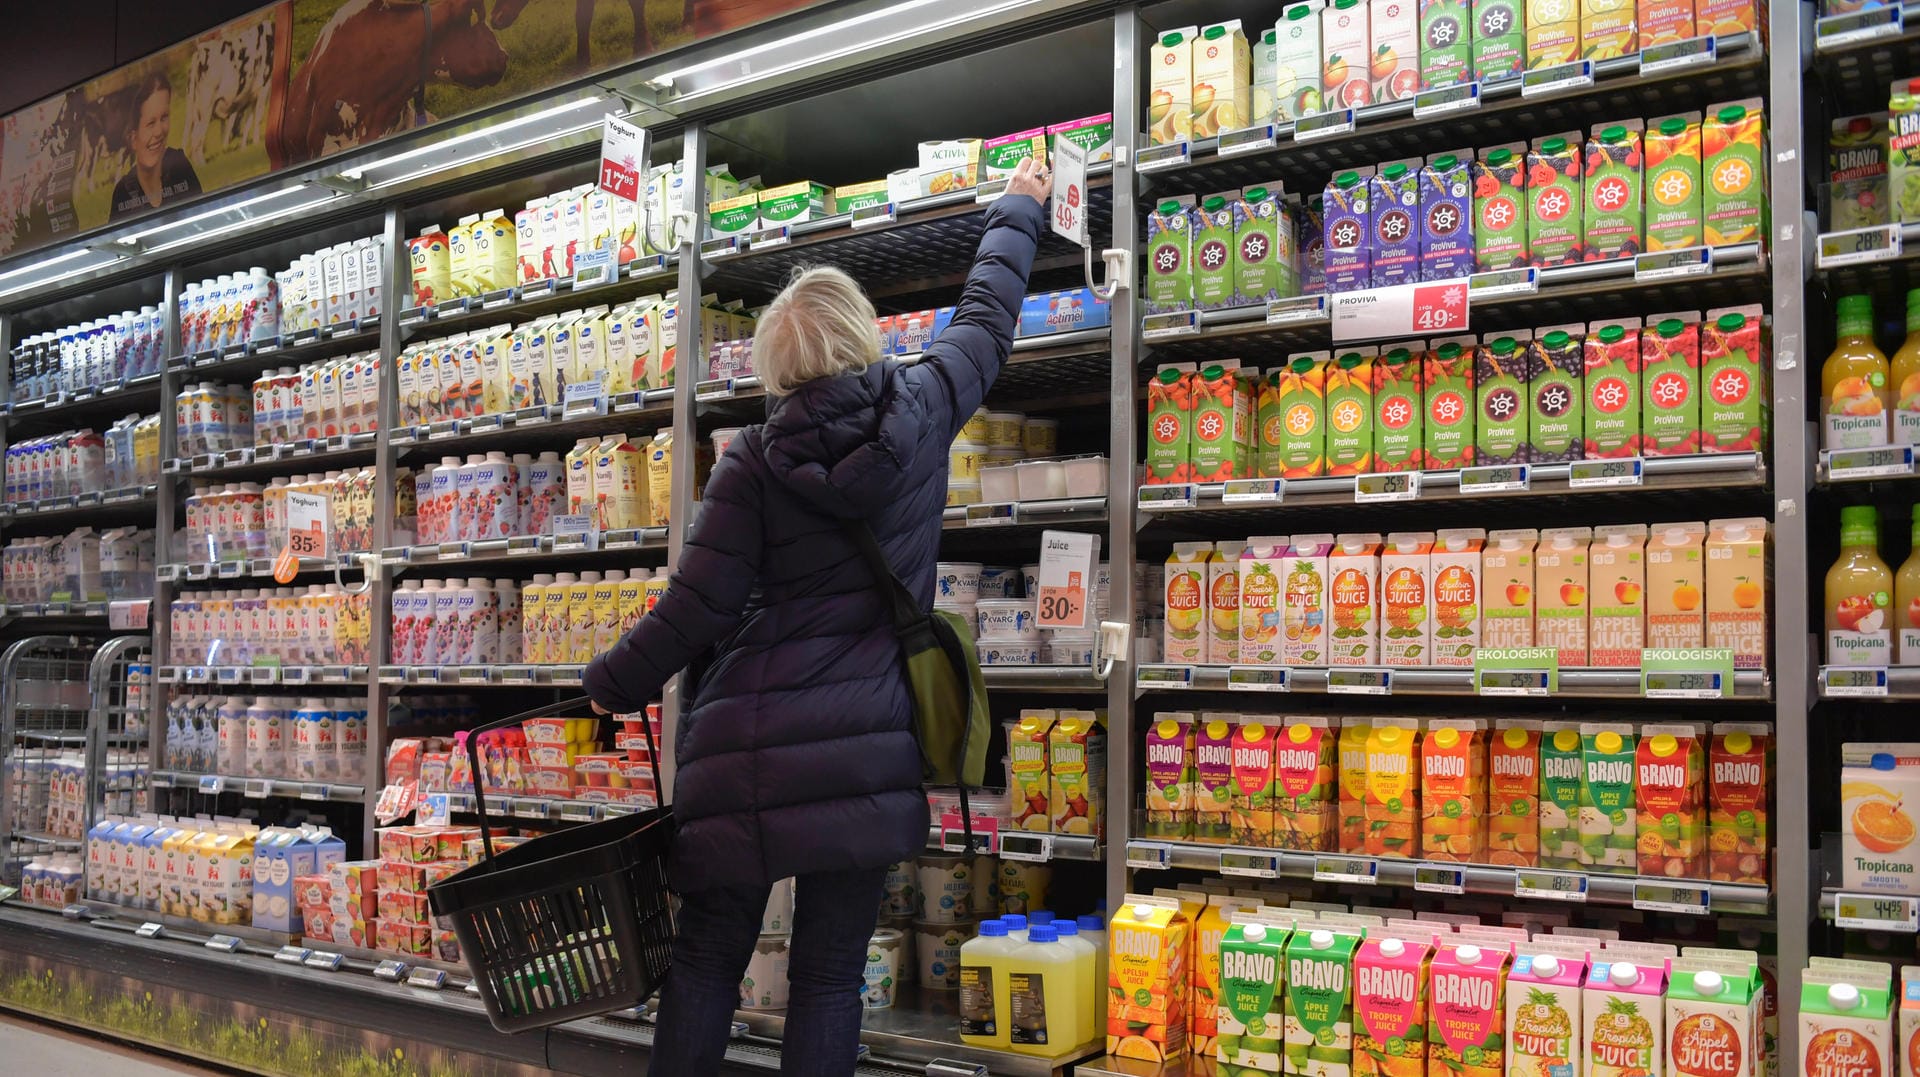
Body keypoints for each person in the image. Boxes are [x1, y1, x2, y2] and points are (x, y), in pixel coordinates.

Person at [582, 155, 1052, 1076]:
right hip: (866, 749)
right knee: (830, 975)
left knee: (708, 956)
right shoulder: (923, 403)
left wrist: (607, 683)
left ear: (775, 367)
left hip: (743, 755)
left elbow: (695, 609)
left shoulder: (751, 462)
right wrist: (1020, 205)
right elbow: (988, 319)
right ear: (864, 335)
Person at [109, 73, 202, 223]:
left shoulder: (180, 168)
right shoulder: (123, 193)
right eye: (151, 123)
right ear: (133, 139)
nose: (159, 132)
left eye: (164, 118)